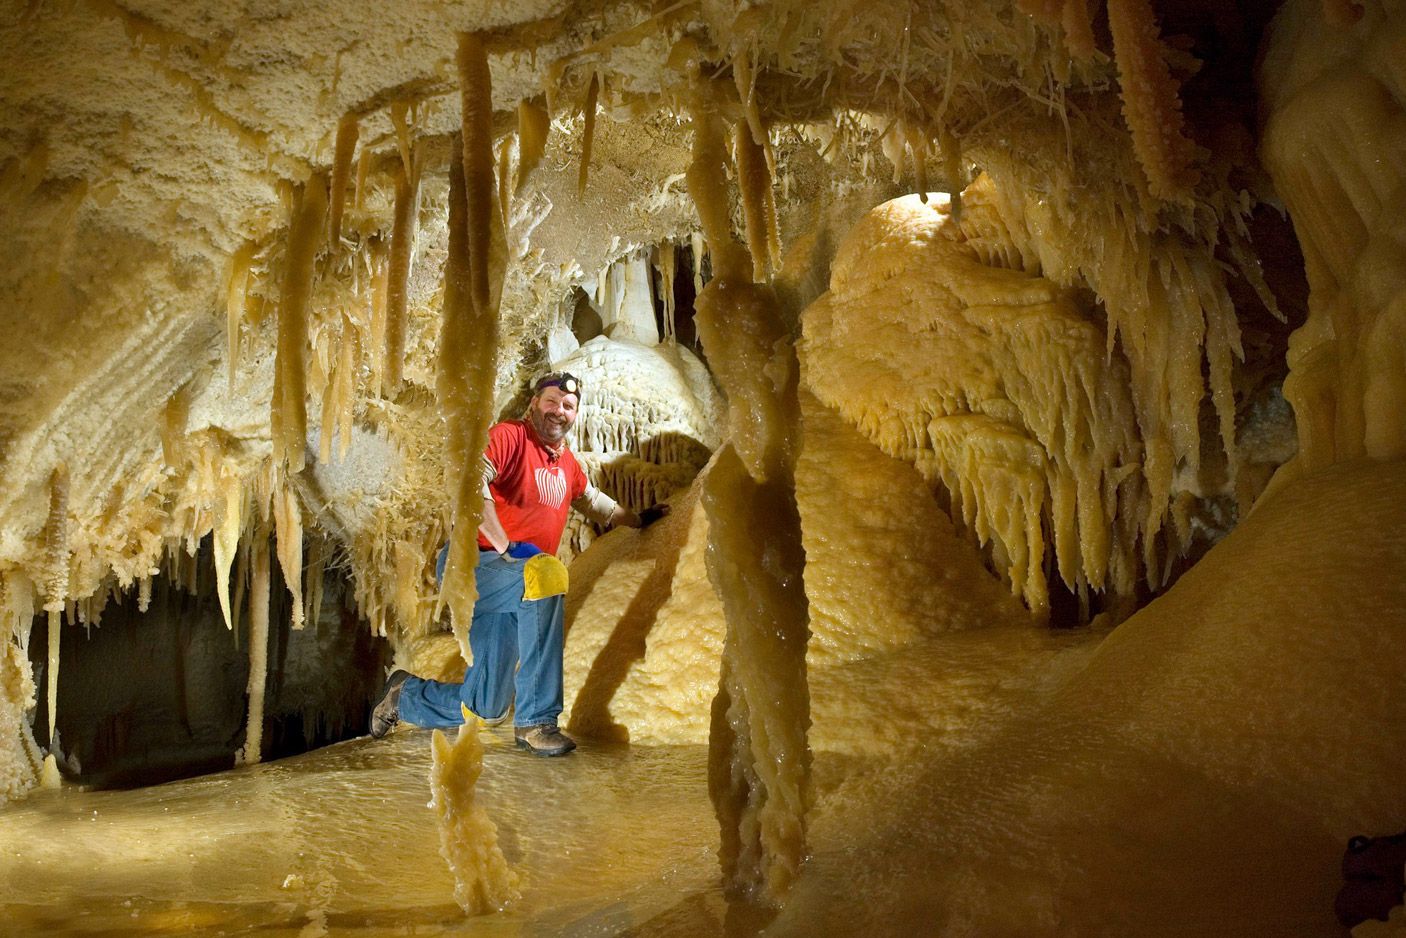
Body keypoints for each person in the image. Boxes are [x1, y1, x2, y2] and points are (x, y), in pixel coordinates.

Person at [368, 372, 665, 756]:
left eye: (568, 406)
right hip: (474, 567)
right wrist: (504, 543)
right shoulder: (511, 437)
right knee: (546, 571)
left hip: (513, 584)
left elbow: (595, 503)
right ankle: (537, 722)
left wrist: (640, 520)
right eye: (552, 401)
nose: (559, 411)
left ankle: (402, 694)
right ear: (534, 404)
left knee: (485, 709)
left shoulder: (567, 465)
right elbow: (472, 483)